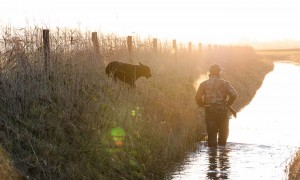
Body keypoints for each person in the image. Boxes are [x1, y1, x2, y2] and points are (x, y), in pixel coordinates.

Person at [195, 64, 237, 147]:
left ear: (210, 73)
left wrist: (202, 104)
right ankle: (222, 156)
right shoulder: (225, 83)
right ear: (219, 72)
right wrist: (228, 103)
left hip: (210, 111)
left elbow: (197, 97)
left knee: (211, 136)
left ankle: (212, 157)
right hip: (223, 112)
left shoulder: (204, 84)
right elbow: (234, 95)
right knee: (223, 135)